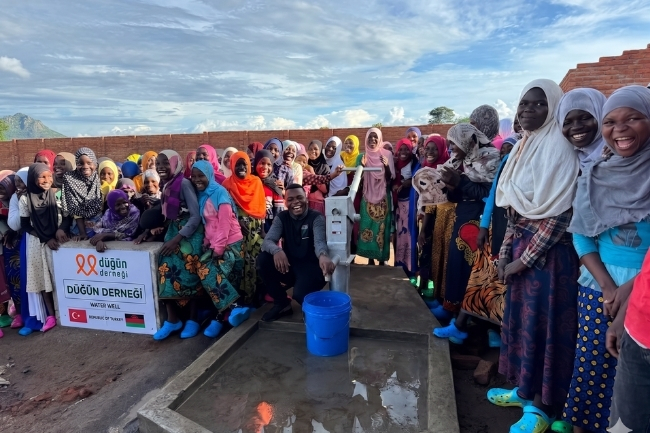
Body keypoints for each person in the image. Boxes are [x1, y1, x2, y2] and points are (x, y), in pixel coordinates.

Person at [489, 79, 580, 432]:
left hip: (550, 260)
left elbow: (560, 213)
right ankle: (524, 391)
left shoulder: (560, 148)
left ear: (553, 107)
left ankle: (543, 407)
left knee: (545, 328)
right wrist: (504, 254)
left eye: (538, 104)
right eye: (524, 103)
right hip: (521, 249)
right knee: (522, 325)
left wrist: (521, 262)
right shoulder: (525, 145)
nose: (528, 109)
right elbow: (515, 209)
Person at [563, 85, 650, 433]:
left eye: (634, 118)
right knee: (592, 369)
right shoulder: (596, 174)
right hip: (599, 286)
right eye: (610, 122)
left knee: (635, 382)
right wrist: (608, 287)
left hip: (645, 289)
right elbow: (581, 234)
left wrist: (630, 289)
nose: (620, 129)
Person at [430, 124, 499, 322]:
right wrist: (450, 188)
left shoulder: (490, 159)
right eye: (450, 143)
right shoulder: (459, 161)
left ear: (468, 141)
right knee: (455, 262)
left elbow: (488, 194)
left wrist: (460, 182)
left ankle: (467, 318)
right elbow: (458, 195)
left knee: (471, 268)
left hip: (479, 221)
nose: (451, 147)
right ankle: (451, 306)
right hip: (461, 217)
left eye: (455, 143)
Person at [456, 136, 517, 346]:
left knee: (503, 283)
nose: (504, 152)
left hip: (517, 228)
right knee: (482, 276)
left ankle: (497, 333)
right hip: (497, 226)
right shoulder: (506, 162)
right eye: (503, 149)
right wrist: (484, 227)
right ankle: (464, 325)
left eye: (509, 148)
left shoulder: (527, 160)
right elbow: (492, 195)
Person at [142, 150, 205, 341]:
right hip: (174, 231)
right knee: (165, 268)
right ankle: (172, 319)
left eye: (166, 163)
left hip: (190, 233)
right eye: (159, 163)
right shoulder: (168, 184)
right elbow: (167, 215)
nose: (161, 167)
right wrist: (148, 232)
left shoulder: (183, 183)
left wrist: (176, 239)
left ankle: (193, 319)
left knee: (190, 270)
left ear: (175, 164)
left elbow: (195, 216)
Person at [256, 184, 336, 322]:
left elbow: (319, 242)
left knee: (300, 295)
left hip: (311, 268)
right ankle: (282, 303)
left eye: (299, 197)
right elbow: (267, 241)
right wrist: (277, 250)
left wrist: (323, 255)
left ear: (306, 198)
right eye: (290, 199)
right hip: (290, 266)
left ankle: (308, 296)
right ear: (285, 202)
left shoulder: (316, 218)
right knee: (263, 259)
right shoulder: (282, 218)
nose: (295, 202)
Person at [190, 159, 246, 336]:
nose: (197, 179)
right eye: (194, 176)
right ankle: (224, 316)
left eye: (201, 175)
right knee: (223, 280)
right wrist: (207, 241)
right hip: (215, 243)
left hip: (231, 243)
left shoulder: (219, 192)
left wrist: (218, 248)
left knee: (207, 272)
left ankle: (232, 309)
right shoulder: (202, 195)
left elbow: (224, 223)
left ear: (209, 175)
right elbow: (209, 223)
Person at [21, 163, 66, 333]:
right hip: (38, 243)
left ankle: (65, 311)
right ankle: (51, 315)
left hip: (59, 242)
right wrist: (45, 238)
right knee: (42, 279)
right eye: (42, 177)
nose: (47, 180)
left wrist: (60, 230)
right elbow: (25, 225)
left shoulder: (57, 194)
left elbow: (67, 217)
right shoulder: (25, 199)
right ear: (33, 179)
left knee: (59, 277)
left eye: (49, 176)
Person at [222, 151, 267, 305]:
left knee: (256, 262)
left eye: (244, 164)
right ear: (232, 165)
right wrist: (237, 222)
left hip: (255, 230)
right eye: (238, 164)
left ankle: (258, 295)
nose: (241, 167)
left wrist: (263, 230)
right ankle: (246, 298)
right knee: (243, 263)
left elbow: (261, 206)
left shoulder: (256, 182)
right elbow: (225, 209)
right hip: (237, 230)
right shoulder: (227, 184)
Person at [416, 135, 453, 298]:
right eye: (427, 148)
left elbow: (432, 202)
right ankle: (424, 287)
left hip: (443, 218)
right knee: (426, 253)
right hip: (428, 217)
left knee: (441, 255)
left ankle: (439, 293)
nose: (430, 152)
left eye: (435, 149)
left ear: (442, 149)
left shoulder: (446, 169)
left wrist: (424, 229)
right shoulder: (425, 167)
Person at [356, 128, 394, 265]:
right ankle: (370, 259)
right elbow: (357, 180)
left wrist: (387, 166)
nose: (372, 139)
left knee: (382, 228)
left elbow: (390, 179)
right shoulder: (362, 156)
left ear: (380, 139)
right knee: (367, 226)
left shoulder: (387, 154)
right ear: (366, 139)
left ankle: (382, 259)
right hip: (367, 197)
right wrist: (361, 166)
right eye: (370, 137)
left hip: (383, 197)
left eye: (375, 137)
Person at [558, 88, 607, 170]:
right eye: (567, 123)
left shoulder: (619, 153)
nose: (576, 127)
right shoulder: (572, 159)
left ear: (602, 115)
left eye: (585, 118)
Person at [61, 147, 103, 240]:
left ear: (95, 164)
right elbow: (75, 208)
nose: (85, 167)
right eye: (80, 163)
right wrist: (83, 233)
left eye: (89, 163)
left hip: (99, 223)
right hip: (78, 227)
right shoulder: (70, 179)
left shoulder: (99, 177)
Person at [392, 138, 417, 279]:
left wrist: (410, 182)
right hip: (398, 204)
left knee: (409, 235)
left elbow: (418, 178)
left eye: (406, 149)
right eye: (400, 149)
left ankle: (410, 267)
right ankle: (400, 264)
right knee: (400, 235)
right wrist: (395, 185)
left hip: (410, 203)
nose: (403, 152)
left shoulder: (415, 163)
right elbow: (391, 180)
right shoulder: (395, 164)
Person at [0, 171, 18, 331]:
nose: (0, 192)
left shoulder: (17, 199)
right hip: (4, 246)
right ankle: (4, 313)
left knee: (12, 279)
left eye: (3, 188)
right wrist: (6, 232)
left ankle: (15, 311)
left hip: (16, 244)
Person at [253, 149, 285, 232]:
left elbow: (279, 212)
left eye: (269, 164)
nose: (265, 167)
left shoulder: (275, 185)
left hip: (269, 227)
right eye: (262, 163)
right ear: (256, 163)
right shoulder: (250, 183)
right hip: (251, 225)